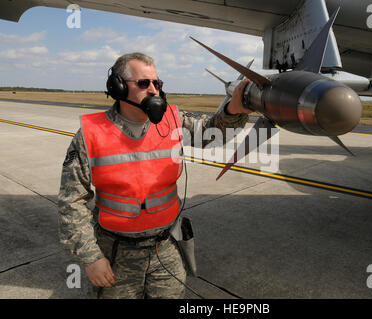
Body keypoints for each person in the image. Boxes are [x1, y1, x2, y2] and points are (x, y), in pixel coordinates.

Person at [58, 52, 252, 299]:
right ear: (117, 87)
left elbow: (212, 132)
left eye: (157, 83)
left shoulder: (172, 120)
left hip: (165, 248)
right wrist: (91, 258)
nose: (153, 90)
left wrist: (234, 107)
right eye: (143, 83)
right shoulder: (90, 133)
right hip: (116, 253)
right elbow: (71, 203)